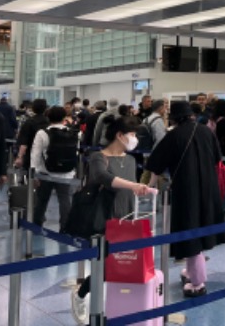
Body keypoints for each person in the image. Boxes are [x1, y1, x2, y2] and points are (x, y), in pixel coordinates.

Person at [70, 117, 156, 325]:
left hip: (126, 216)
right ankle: (82, 296)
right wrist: (133, 186)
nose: (135, 139)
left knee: (120, 265)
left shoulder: (130, 159)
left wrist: (142, 187)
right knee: (106, 265)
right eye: (132, 134)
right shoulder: (98, 157)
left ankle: (110, 306)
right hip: (103, 217)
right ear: (119, 135)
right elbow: (103, 177)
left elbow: (131, 187)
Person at [147, 102, 225, 297]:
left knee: (190, 231)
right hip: (209, 188)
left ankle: (198, 283)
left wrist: (150, 185)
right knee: (201, 228)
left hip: (186, 190)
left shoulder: (174, 135)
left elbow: (156, 162)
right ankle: (191, 271)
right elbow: (218, 158)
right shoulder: (207, 132)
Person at [31, 106, 78, 228]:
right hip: (66, 173)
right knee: (65, 200)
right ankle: (65, 227)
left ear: (48, 117)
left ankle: (37, 224)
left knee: (42, 200)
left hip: (45, 172)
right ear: (64, 117)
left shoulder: (42, 133)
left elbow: (35, 154)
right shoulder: (72, 132)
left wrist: (34, 173)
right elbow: (75, 152)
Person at [13, 98, 48, 174]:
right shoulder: (49, 122)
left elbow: (23, 143)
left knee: (32, 180)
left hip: (31, 156)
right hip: (47, 156)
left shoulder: (29, 122)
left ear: (33, 108)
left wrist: (20, 157)